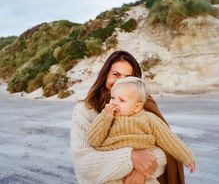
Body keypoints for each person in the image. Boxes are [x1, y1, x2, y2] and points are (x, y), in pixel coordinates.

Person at [70, 50, 185, 184]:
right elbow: (84, 162)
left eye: (127, 77)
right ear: (105, 75)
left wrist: (142, 171)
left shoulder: (143, 106)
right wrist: (131, 158)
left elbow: (167, 151)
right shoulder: (85, 110)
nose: (120, 81)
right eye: (115, 74)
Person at [86, 76, 196, 183]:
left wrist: (187, 156)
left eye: (122, 100)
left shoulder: (148, 118)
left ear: (137, 107)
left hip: (143, 171)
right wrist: (105, 116)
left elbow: (169, 139)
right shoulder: (107, 118)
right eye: (113, 98)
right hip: (113, 171)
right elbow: (93, 140)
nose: (114, 103)